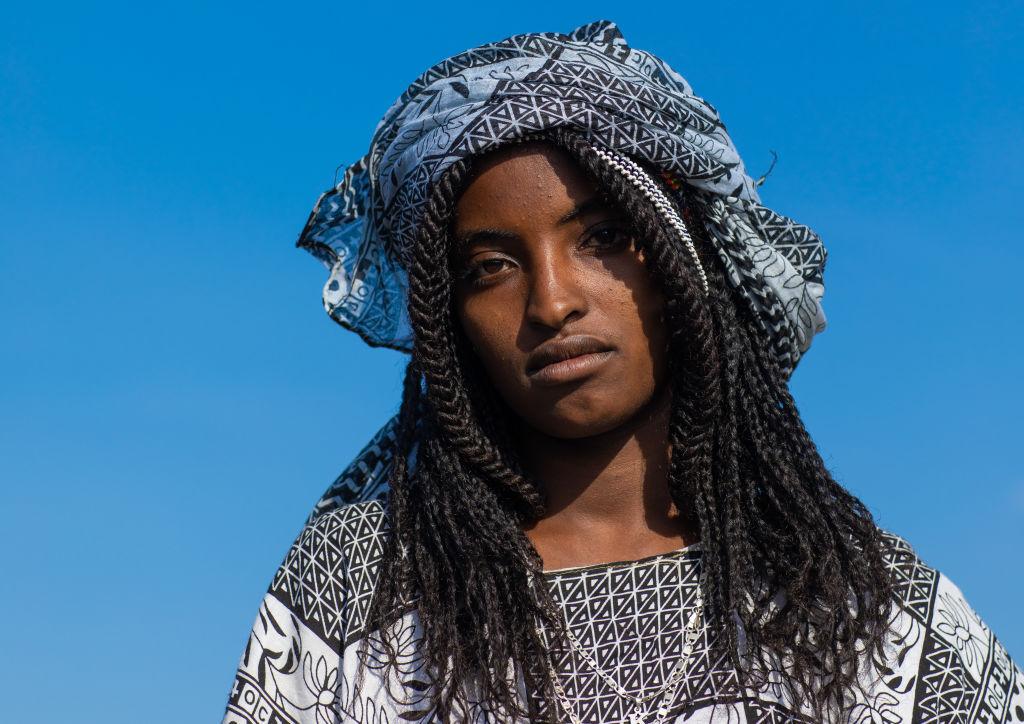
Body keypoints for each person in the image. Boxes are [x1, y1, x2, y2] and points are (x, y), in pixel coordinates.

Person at [222, 20, 1023, 724]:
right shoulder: (356, 590)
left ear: (681, 258)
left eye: (602, 238)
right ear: (447, 319)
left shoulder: (860, 600)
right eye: (491, 267)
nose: (552, 301)